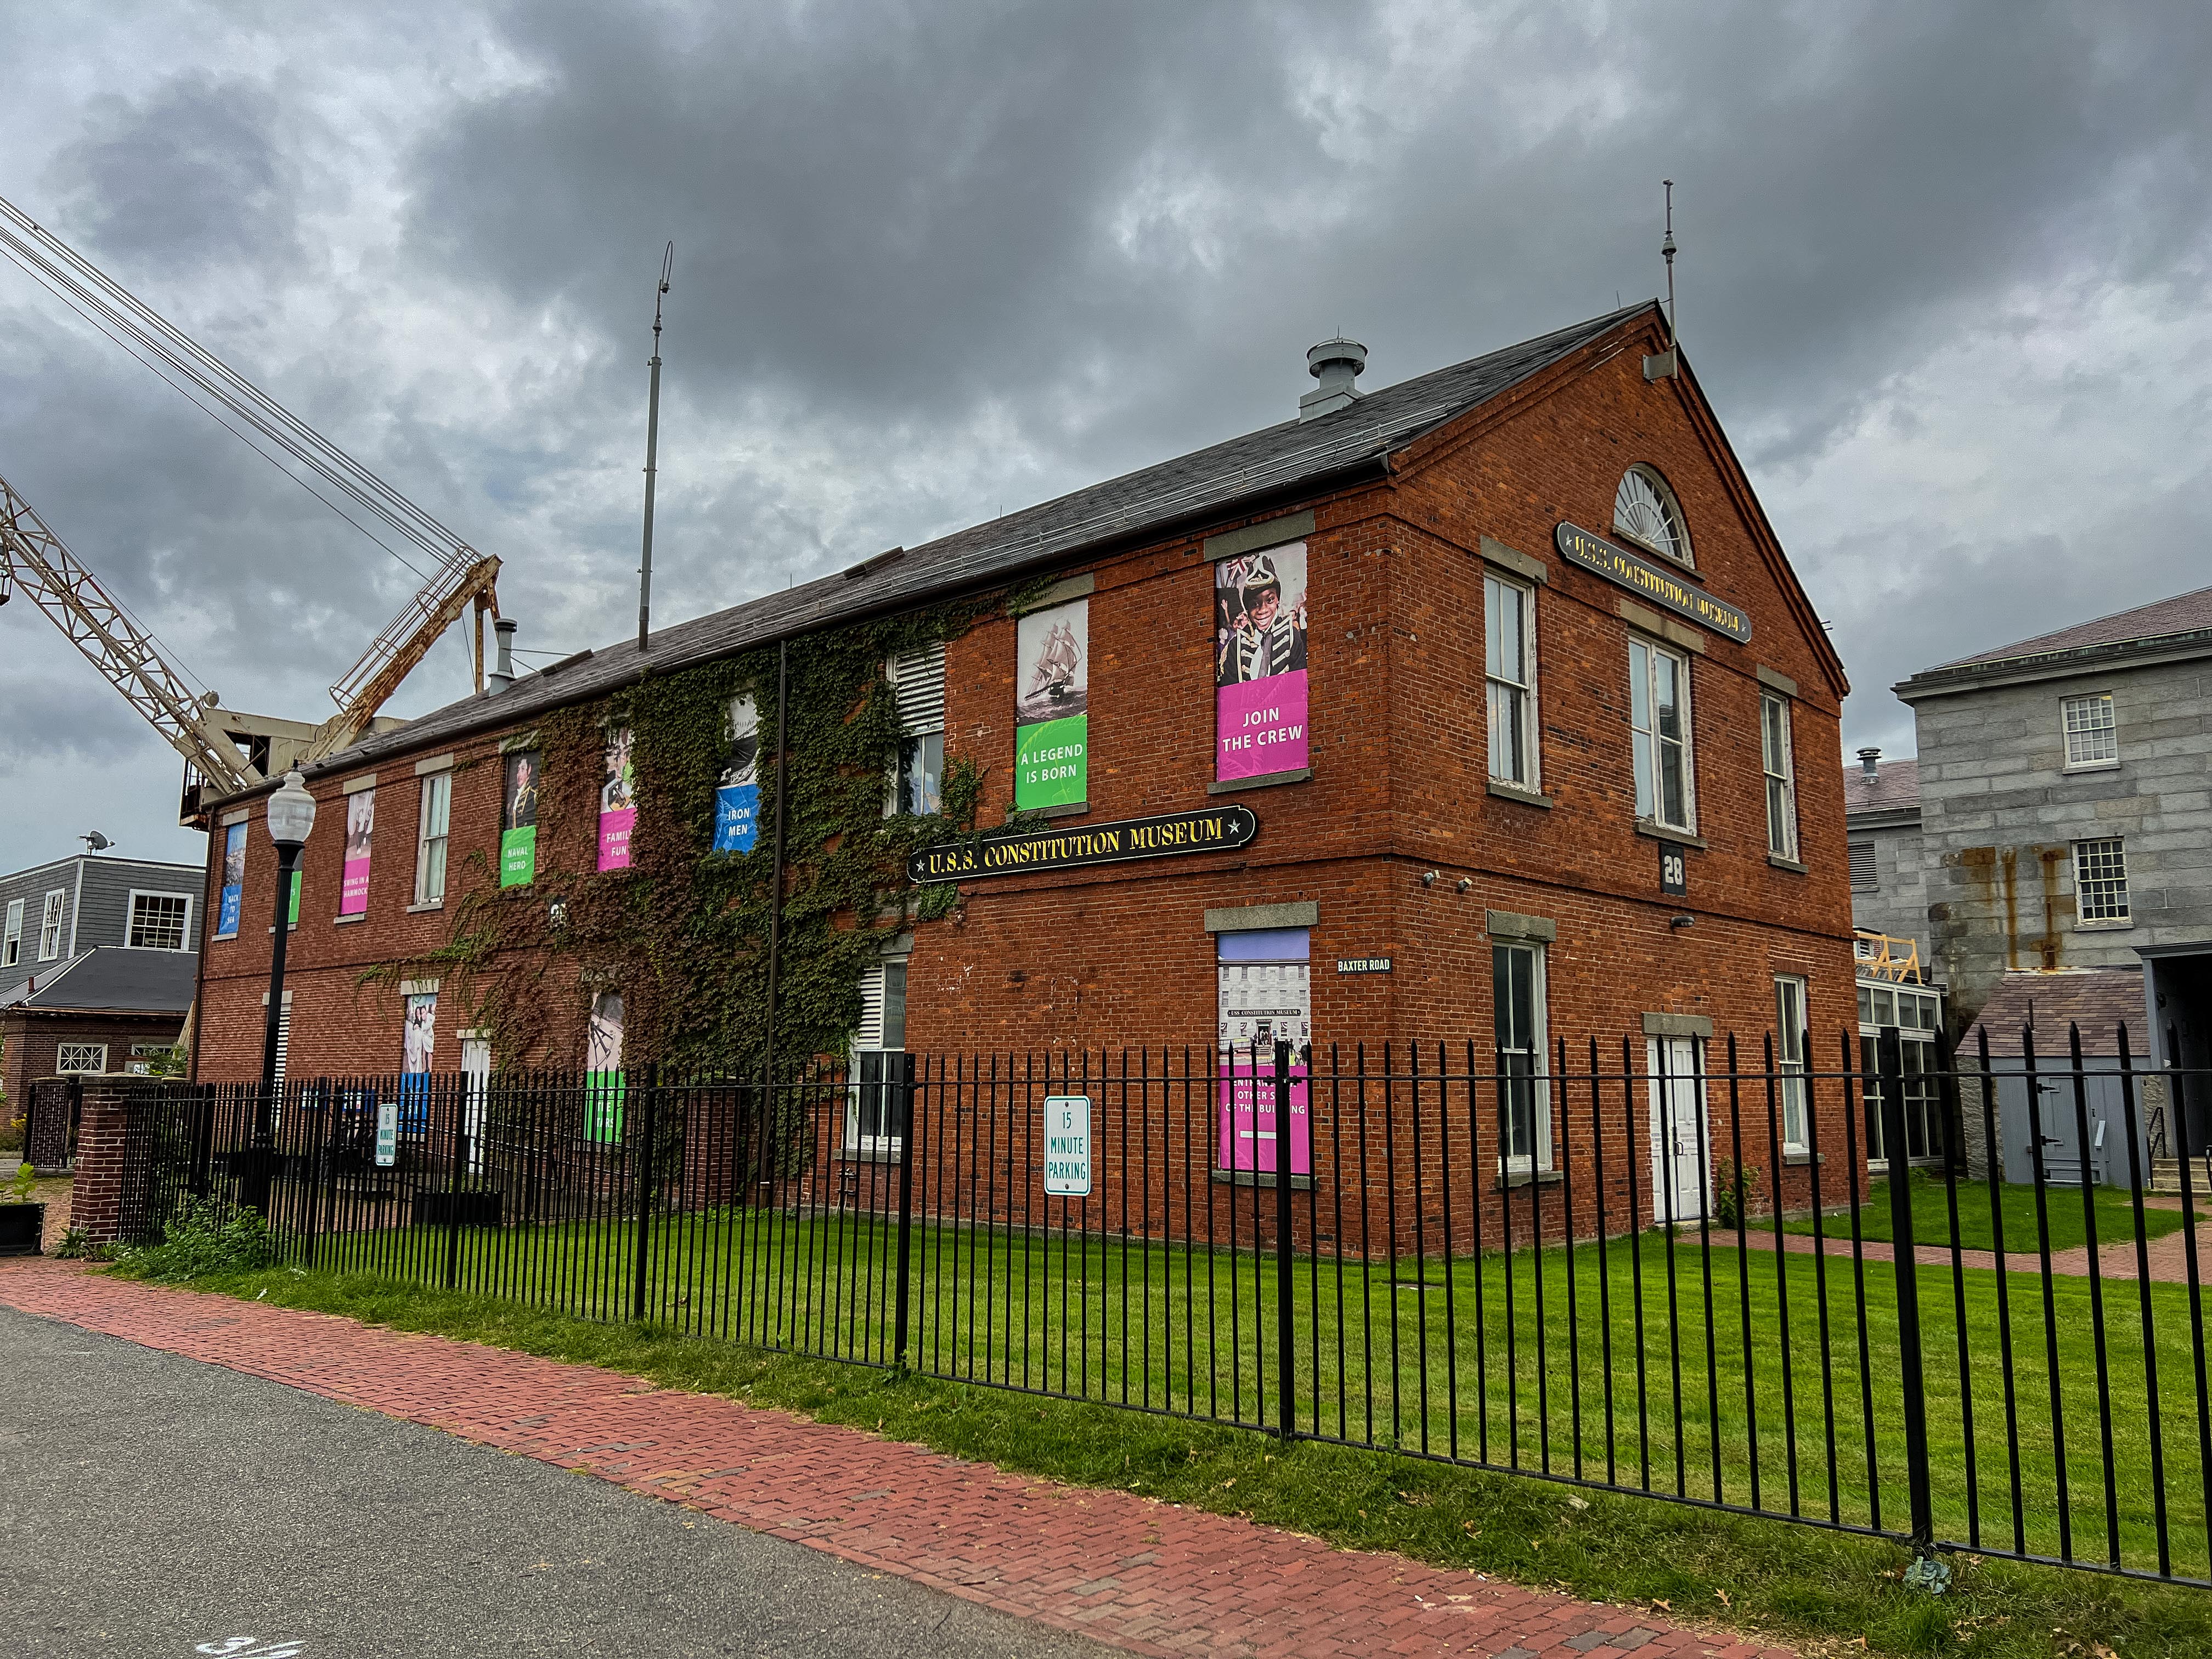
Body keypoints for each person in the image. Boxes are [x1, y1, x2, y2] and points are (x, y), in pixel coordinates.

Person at [1220, 554, 1307, 685]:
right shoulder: (1235, 646)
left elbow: (1300, 684)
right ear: (1248, 608)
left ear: (1277, 600)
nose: (1262, 610)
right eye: (1255, 604)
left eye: (1270, 600)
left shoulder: (1291, 635)